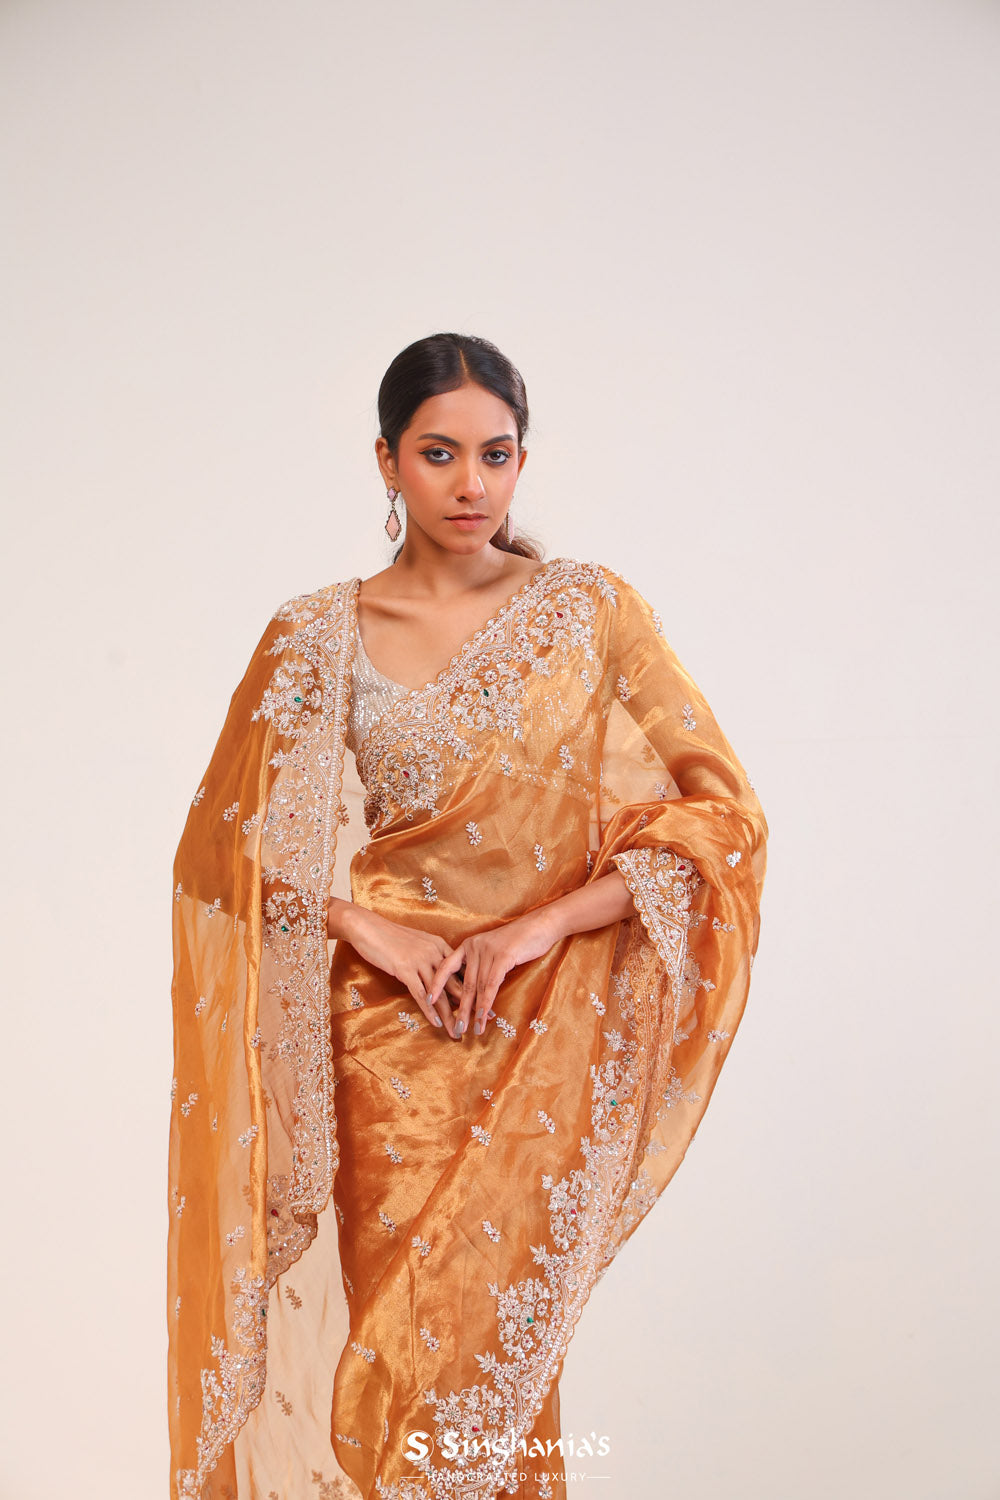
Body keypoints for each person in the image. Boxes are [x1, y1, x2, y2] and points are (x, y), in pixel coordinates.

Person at [167, 332, 769, 1500]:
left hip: (542, 1038)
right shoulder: (316, 633)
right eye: (438, 453)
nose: (469, 484)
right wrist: (365, 926)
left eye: (495, 455)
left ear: (521, 462)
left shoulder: (590, 613)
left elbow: (720, 817)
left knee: (502, 1375)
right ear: (386, 461)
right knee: (397, 1373)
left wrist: (539, 927)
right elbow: (216, 862)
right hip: (383, 1055)